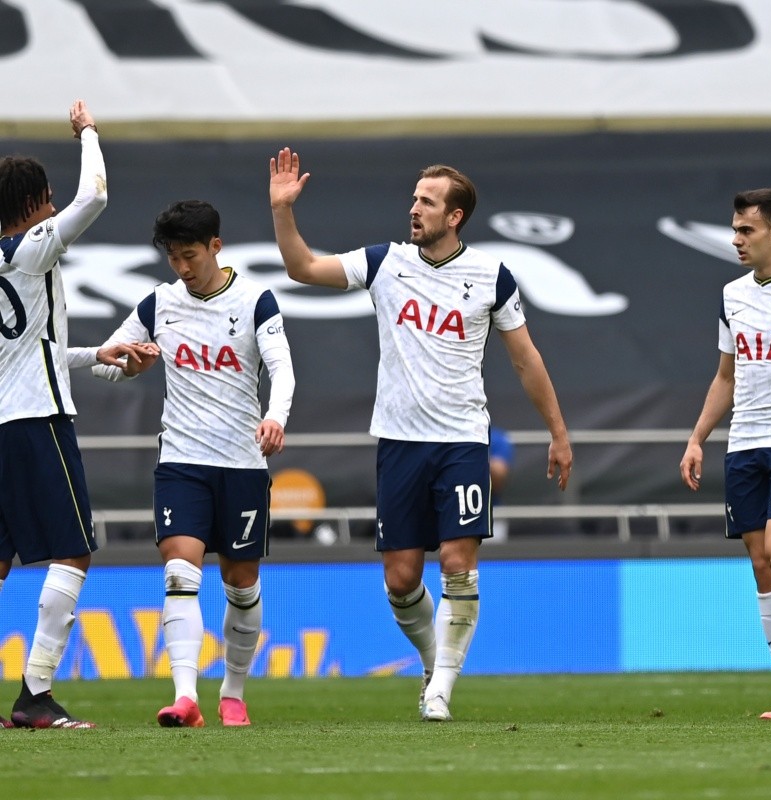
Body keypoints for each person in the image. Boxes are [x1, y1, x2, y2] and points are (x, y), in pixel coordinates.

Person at [269, 148, 572, 721]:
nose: (414, 209)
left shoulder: (492, 277)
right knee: (401, 577)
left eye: (427, 202)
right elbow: (302, 268)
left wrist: (557, 432)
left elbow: (526, 360)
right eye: (414, 198)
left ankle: (441, 690)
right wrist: (284, 212)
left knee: (459, 561)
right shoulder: (386, 262)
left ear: (454, 216)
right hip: (400, 444)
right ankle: (435, 661)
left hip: (462, 442)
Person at [99, 200, 295, 727]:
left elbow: (282, 370)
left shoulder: (256, 300)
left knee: (242, 581)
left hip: (242, 464)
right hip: (182, 460)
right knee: (180, 570)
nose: (182, 268)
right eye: (173, 258)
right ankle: (185, 697)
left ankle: (233, 692)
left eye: (190, 255)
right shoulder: (159, 304)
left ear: (215, 246)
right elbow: (109, 361)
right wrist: (127, 366)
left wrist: (274, 416)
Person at [0, 100, 155, 729]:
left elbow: (29, 350)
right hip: (36, 421)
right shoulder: (29, 250)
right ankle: (35, 694)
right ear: (35, 204)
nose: (55, 203)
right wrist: (88, 132)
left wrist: (99, 354)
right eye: (47, 197)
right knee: (73, 550)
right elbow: (94, 196)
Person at [680, 187, 771, 720]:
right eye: (733, 230)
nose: (736, 240)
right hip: (745, 445)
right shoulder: (731, 295)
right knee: (761, 567)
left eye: (745, 230)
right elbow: (728, 374)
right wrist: (697, 437)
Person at [487, 426, 515, 543]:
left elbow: (498, 478)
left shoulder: (496, 438)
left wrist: (470, 457)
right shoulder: (440, 437)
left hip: (490, 514)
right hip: (448, 512)